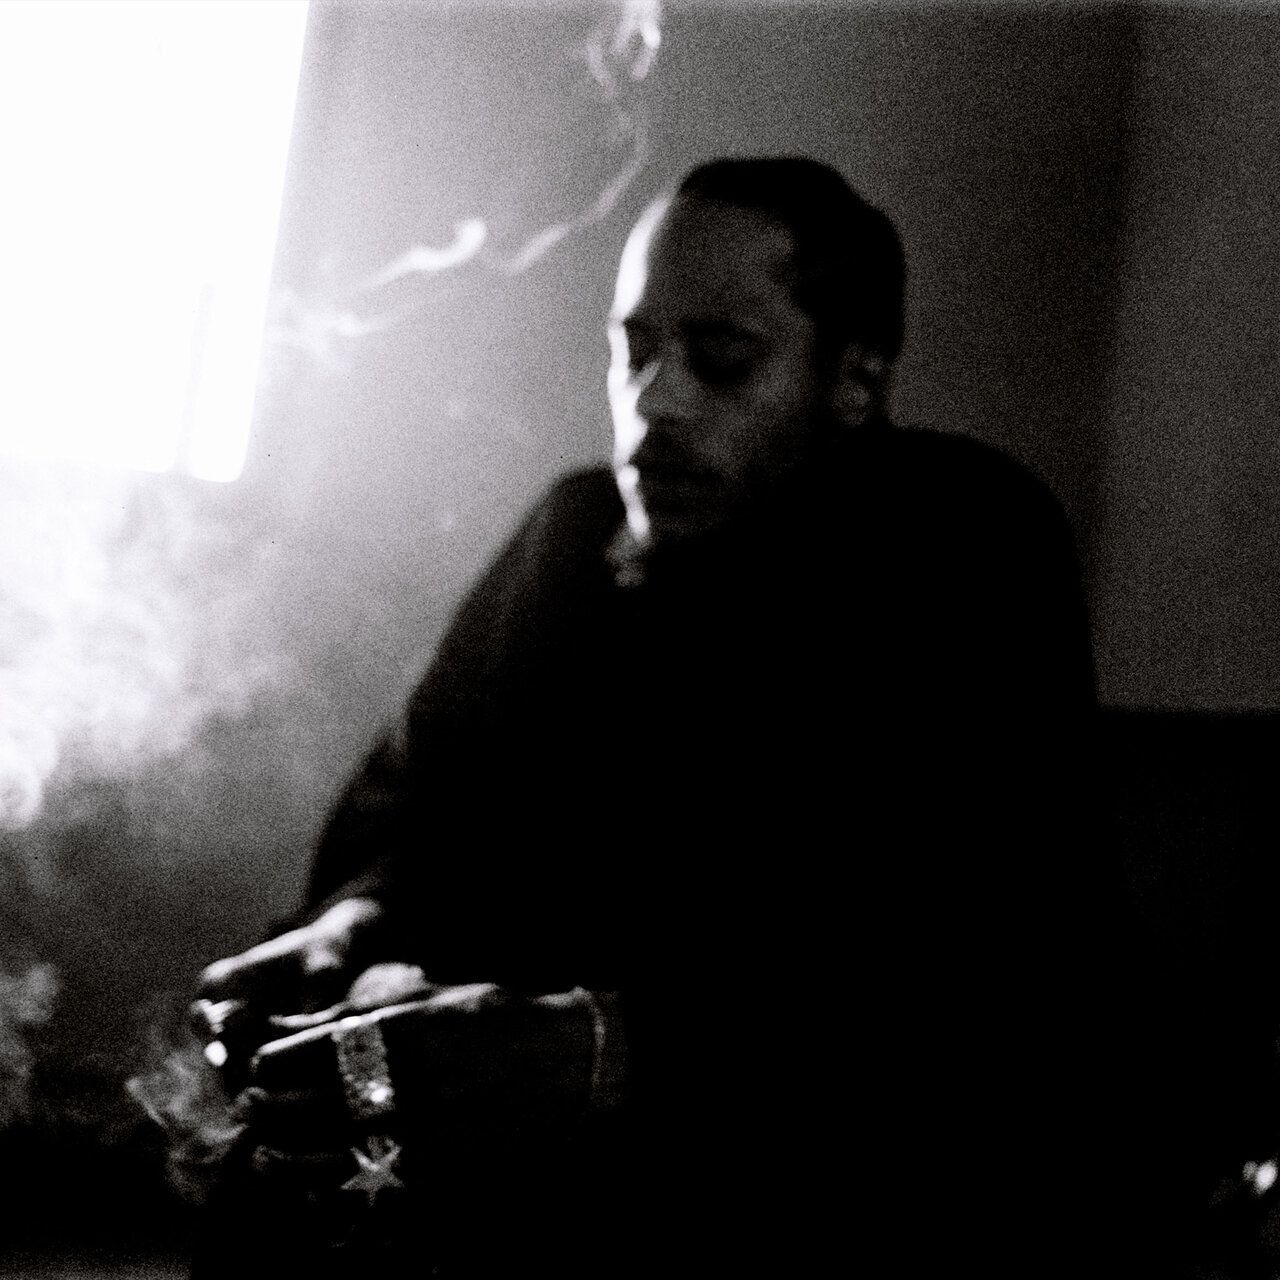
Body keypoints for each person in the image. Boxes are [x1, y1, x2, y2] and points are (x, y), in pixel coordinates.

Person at [194, 157, 1137, 1278]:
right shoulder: (572, 534)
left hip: (805, 1188)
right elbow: (420, 801)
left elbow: (968, 963)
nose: (655, 401)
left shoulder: (961, 543)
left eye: (722, 357)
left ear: (855, 376)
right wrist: (357, 922)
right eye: (633, 349)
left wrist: (603, 1048)